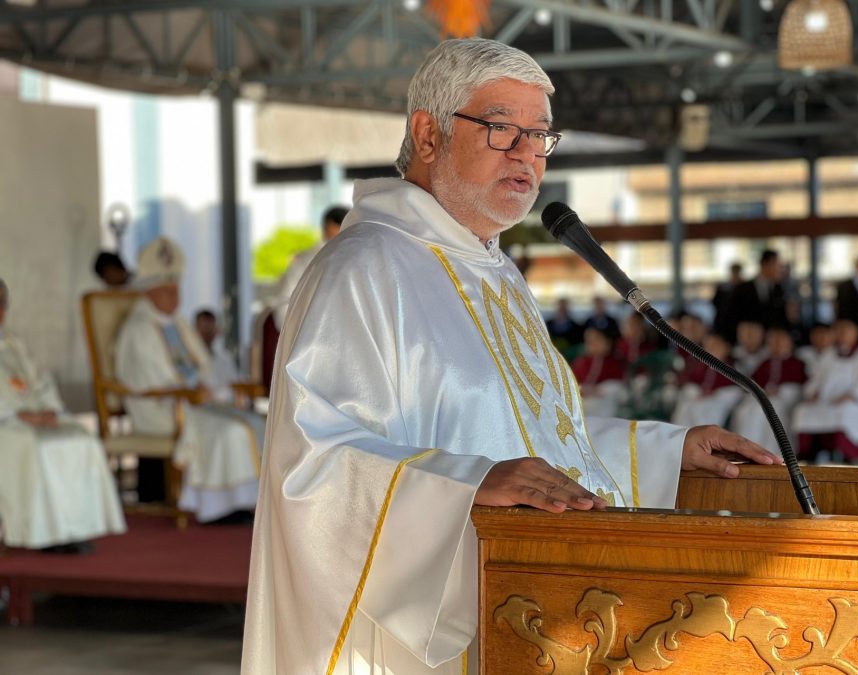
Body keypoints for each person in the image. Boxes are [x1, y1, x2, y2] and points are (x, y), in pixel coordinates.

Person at [241, 38, 777, 675]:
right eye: (501, 130)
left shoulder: (495, 271)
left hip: (525, 615)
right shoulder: (363, 267)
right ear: (428, 133)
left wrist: (663, 449)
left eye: (540, 136)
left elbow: (527, 438)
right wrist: (462, 485)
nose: (527, 154)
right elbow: (312, 462)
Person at [114, 237, 266, 521]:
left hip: (192, 402)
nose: (175, 297)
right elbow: (150, 381)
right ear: (149, 293)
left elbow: (204, 365)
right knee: (229, 432)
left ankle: (246, 503)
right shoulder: (139, 329)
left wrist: (211, 390)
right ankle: (218, 508)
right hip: (160, 409)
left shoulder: (178, 323)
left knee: (256, 423)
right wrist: (195, 393)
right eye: (167, 291)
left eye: (176, 289)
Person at [0, 279, 126, 553]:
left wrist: (50, 409)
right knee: (37, 448)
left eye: (2, 303)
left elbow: (41, 381)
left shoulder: (13, 345)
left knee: (82, 439)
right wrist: (17, 415)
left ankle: (73, 529)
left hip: (35, 418)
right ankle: (42, 534)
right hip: (6, 426)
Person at [791, 319, 858, 462]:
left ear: (855, 333)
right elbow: (816, 379)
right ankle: (808, 458)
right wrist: (813, 392)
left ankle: (842, 457)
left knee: (844, 413)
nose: (842, 334)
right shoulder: (828, 354)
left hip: (852, 402)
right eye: (839, 330)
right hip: (826, 401)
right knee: (802, 411)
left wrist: (851, 396)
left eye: (846, 331)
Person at [731, 328, 807, 454]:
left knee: (773, 410)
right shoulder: (765, 362)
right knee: (746, 410)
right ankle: (748, 451)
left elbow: (801, 386)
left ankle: (773, 453)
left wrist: (781, 391)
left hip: (785, 399)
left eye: (780, 340)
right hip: (764, 395)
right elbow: (753, 382)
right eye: (773, 340)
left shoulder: (797, 362)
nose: (776, 344)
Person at [274, 205, 349, 326]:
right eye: (341, 226)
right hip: (310, 331)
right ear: (330, 226)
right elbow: (284, 307)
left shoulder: (349, 257)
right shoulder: (307, 260)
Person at [671, 333, 741, 428]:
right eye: (708, 347)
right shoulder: (702, 365)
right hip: (702, 398)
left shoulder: (733, 365)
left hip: (720, 400)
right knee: (686, 406)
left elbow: (734, 389)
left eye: (715, 346)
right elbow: (693, 381)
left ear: (726, 347)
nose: (711, 350)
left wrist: (712, 394)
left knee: (701, 408)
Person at [724, 250, 787, 342]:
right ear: (767, 264)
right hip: (746, 343)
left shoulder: (780, 290)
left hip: (771, 345)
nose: (780, 269)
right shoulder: (743, 289)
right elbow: (731, 316)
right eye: (778, 265)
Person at [572, 327, 627, 417]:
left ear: (608, 343)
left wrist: (600, 390)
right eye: (589, 341)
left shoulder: (615, 362)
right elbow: (572, 382)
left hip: (605, 401)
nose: (592, 344)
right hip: (582, 399)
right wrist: (581, 389)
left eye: (597, 340)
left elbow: (619, 386)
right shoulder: (580, 362)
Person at [194, 309, 242, 403]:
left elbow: (236, 387)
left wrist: (215, 395)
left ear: (216, 331)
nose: (206, 334)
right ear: (194, 332)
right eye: (203, 329)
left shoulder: (225, 359)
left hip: (225, 409)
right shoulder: (187, 360)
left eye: (209, 328)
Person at [710, 262, 744, 335]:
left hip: (738, 321)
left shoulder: (744, 287)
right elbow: (715, 303)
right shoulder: (723, 288)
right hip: (723, 321)